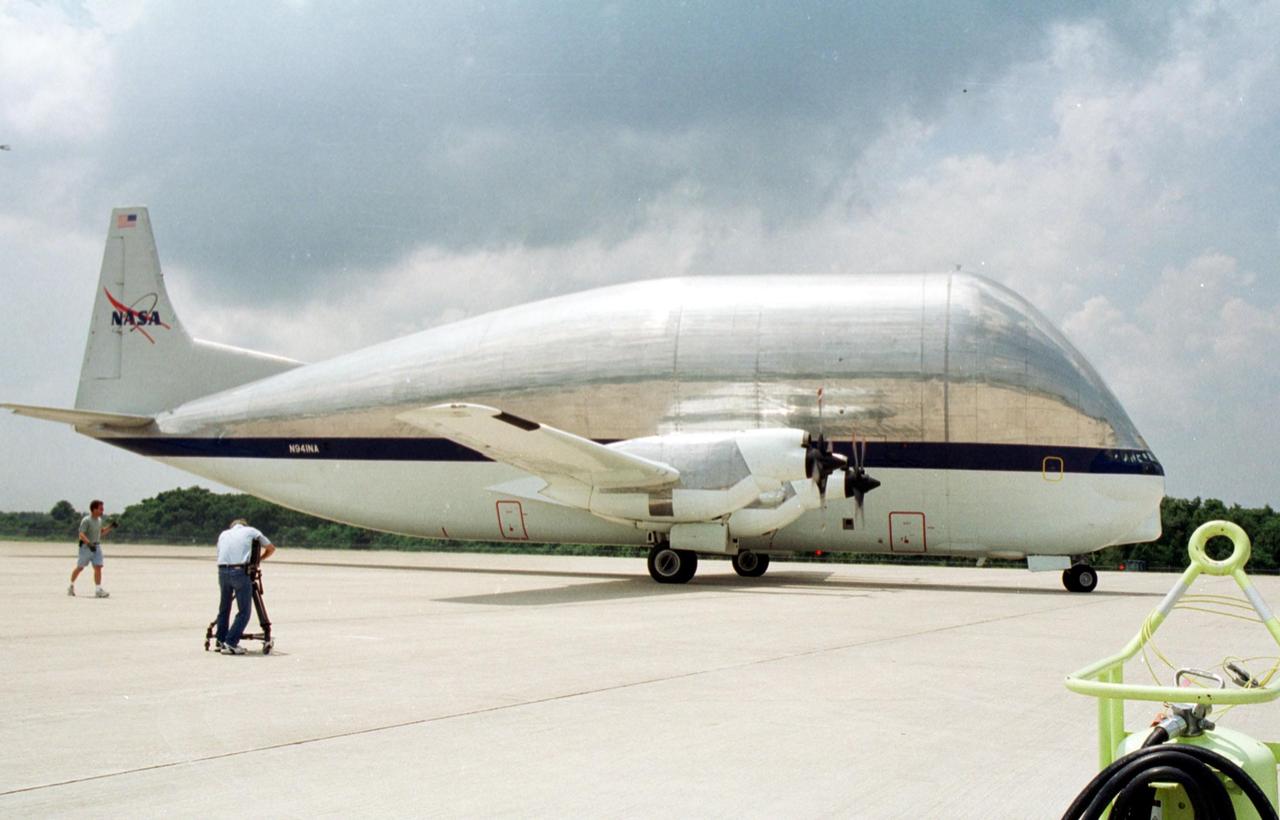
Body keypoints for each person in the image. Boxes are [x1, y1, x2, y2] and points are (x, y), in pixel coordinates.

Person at [214, 518, 275, 655]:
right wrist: (260, 559)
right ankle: (230, 643)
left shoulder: (223, 534)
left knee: (224, 609)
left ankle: (220, 640)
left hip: (222, 571)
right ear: (244, 525)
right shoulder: (251, 531)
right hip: (240, 572)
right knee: (244, 612)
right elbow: (271, 548)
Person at [69, 499, 113, 598]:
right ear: (94, 509)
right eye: (100, 509)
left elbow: (100, 533)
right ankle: (71, 585)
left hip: (97, 546)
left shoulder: (99, 520)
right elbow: (81, 534)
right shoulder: (86, 520)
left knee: (98, 567)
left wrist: (110, 527)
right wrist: (89, 544)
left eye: (102, 509)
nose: (102, 511)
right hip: (86, 547)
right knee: (80, 568)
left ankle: (98, 589)